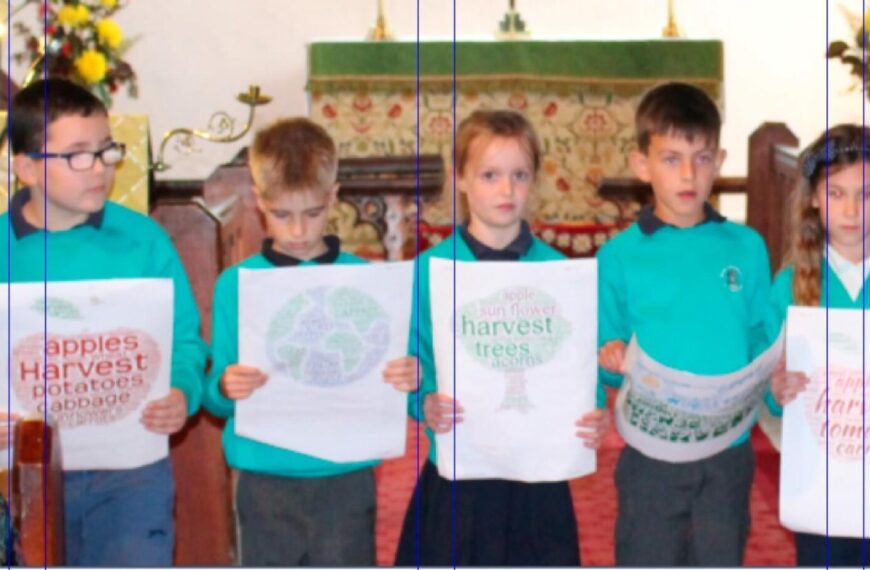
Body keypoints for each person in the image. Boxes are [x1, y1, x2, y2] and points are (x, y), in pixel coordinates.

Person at [0, 77, 208, 566]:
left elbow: (185, 341)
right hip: (20, 475)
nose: (99, 168)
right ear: (26, 167)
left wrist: (181, 392)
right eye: (77, 155)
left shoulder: (143, 240)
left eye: (106, 151)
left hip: (129, 475)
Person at [394, 109, 610, 566]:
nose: (506, 190)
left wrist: (591, 412)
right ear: (461, 179)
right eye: (490, 175)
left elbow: (578, 366)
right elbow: (412, 360)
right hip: (459, 475)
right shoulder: (430, 270)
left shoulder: (558, 272)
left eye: (519, 175)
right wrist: (423, 401)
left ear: (535, 180)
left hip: (538, 480)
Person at [202, 117, 417, 566]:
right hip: (265, 475)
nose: (298, 231)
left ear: (333, 197)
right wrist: (225, 386)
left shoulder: (366, 281)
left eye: (313, 213)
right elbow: (214, 396)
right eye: (282, 215)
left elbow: (398, 373)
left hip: (345, 474)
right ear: (259, 201)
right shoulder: (236, 284)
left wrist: (408, 375)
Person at [597, 82, 771, 566]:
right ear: (642, 165)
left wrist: (772, 375)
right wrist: (610, 357)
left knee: (720, 555)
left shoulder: (747, 247)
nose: (689, 174)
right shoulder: (618, 256)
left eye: (702, 158)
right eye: (671, 159)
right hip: (652, 452)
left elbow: (761, 335)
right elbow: (606, 349)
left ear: (720, 161)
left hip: (729, 447)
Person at [767, 124, 870, 567]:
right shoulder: (789, 286)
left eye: (866, 195)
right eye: (836, 193)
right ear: (813, 198)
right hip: (821, 483)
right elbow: (767, 387)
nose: (851, 210)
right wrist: (777, 389)